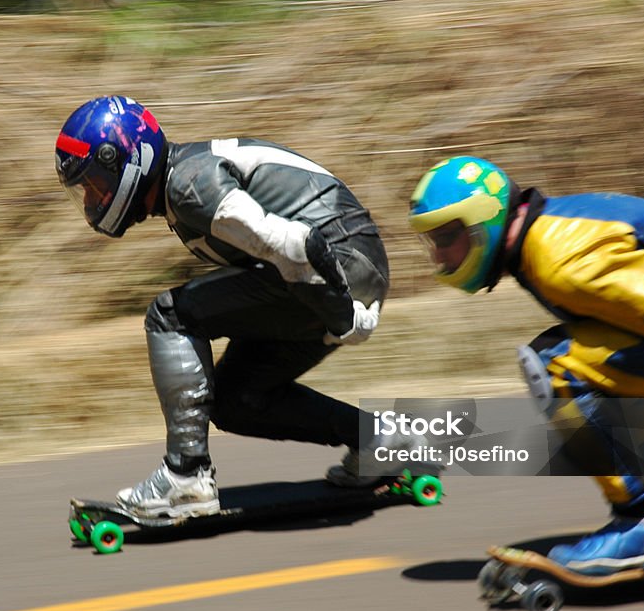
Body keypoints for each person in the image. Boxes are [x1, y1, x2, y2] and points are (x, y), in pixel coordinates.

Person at [55, 95, 421, 519]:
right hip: (337, 269)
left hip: (337, 267)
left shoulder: (190, 187)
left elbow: (298, 246)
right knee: (235, 400)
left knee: (169, 314)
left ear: (124, 160)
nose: (91, 201)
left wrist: (345, 317)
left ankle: (185, 476)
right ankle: (379, 441)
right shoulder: (183, 187)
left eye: (95, 184)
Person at [407, 155, 644, 575]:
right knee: (606, 396)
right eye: (431, 240)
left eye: (447, 235)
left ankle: (642, 526)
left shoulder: (558, 255)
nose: (439, 252)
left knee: (555, 366)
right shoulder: (545, 233)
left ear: (483, 221)